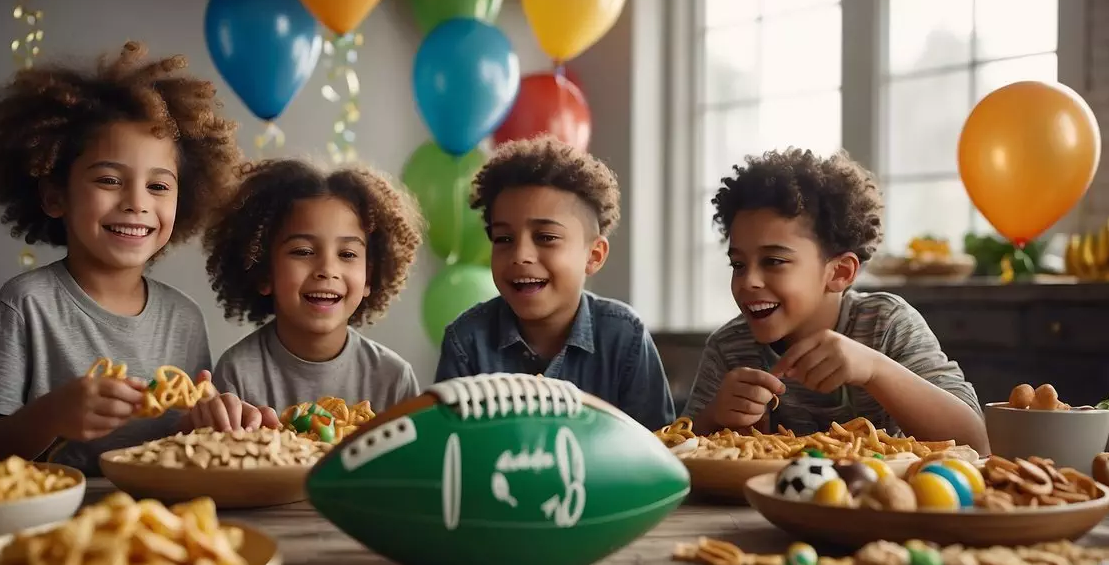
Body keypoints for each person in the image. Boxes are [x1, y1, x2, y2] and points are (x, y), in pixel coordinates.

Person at [0, 42, 264, 474]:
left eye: (158, 187)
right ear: (53, 195)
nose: (136, 203)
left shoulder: (184, 319)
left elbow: (187, 443)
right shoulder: (25, 305)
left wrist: (210, 422)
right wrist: (52, 414)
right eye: (109, 179)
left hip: (163, 524)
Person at [682, 148, 989, 454]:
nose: (749, 281)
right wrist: (714, 417)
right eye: (738, 265)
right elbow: (678, 453)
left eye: (773, 261)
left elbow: (976, 442)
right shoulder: (729, 348)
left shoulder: (886, 325)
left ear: (840, 272)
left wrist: (875, 370)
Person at [434, 136, 675, 431]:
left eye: (546, 237)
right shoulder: (467, 341)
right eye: (504, 239)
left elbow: (658, 451)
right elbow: (449, 451)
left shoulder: (625, 336)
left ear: (594, 256)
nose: (521, 255)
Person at [198, 158, 424, 427]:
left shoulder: (394, 379)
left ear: (369, 277)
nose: (327, 269)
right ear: (264, 272)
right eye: (303, 252)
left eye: (347, 254)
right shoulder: (238, 373)